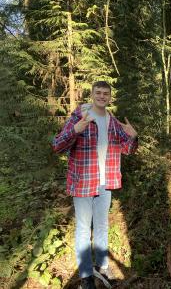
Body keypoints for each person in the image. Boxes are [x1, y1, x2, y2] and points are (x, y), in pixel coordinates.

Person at [52, 81, 138, 289]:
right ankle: (86, 276)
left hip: (105, 182)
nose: (101, 96)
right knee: (83, 228)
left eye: (105, 93)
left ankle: (103, 266)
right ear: (92, 95)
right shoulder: (80, 116)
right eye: (98, 93)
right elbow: (57, 146)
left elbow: (126, 149)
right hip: (83, 182)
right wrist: (75, 130)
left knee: (102, 226)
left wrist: (133, 137)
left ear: (110, 97)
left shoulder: (112, 121)